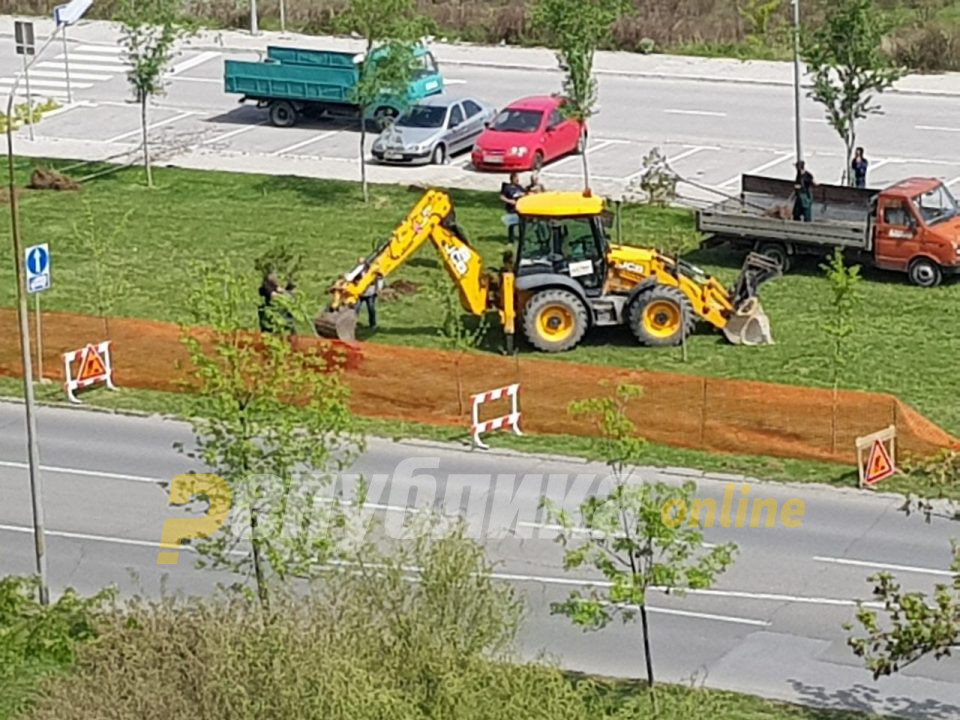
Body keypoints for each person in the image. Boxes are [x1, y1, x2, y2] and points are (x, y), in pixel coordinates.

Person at [356, 260, 383, 330]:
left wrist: (378, 289)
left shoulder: (372, 271)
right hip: (359, 293)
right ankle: (353, 324)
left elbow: (379, 279)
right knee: (356, 309)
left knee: (371, 309)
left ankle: (372, 325)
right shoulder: (357, 273)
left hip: (370, 293)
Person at [499, 172, 525, 242]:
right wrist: (509, 201)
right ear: (512, 179)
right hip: (511, 209)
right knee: (512, 224)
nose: (517, 180)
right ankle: (511, 239)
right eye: (516, 178)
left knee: (521, 224)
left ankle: (522, 237)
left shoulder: (519, 187)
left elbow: (524, 193)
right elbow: (501, 197)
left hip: (519, 208)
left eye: (518, 178)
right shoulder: (507, 188)